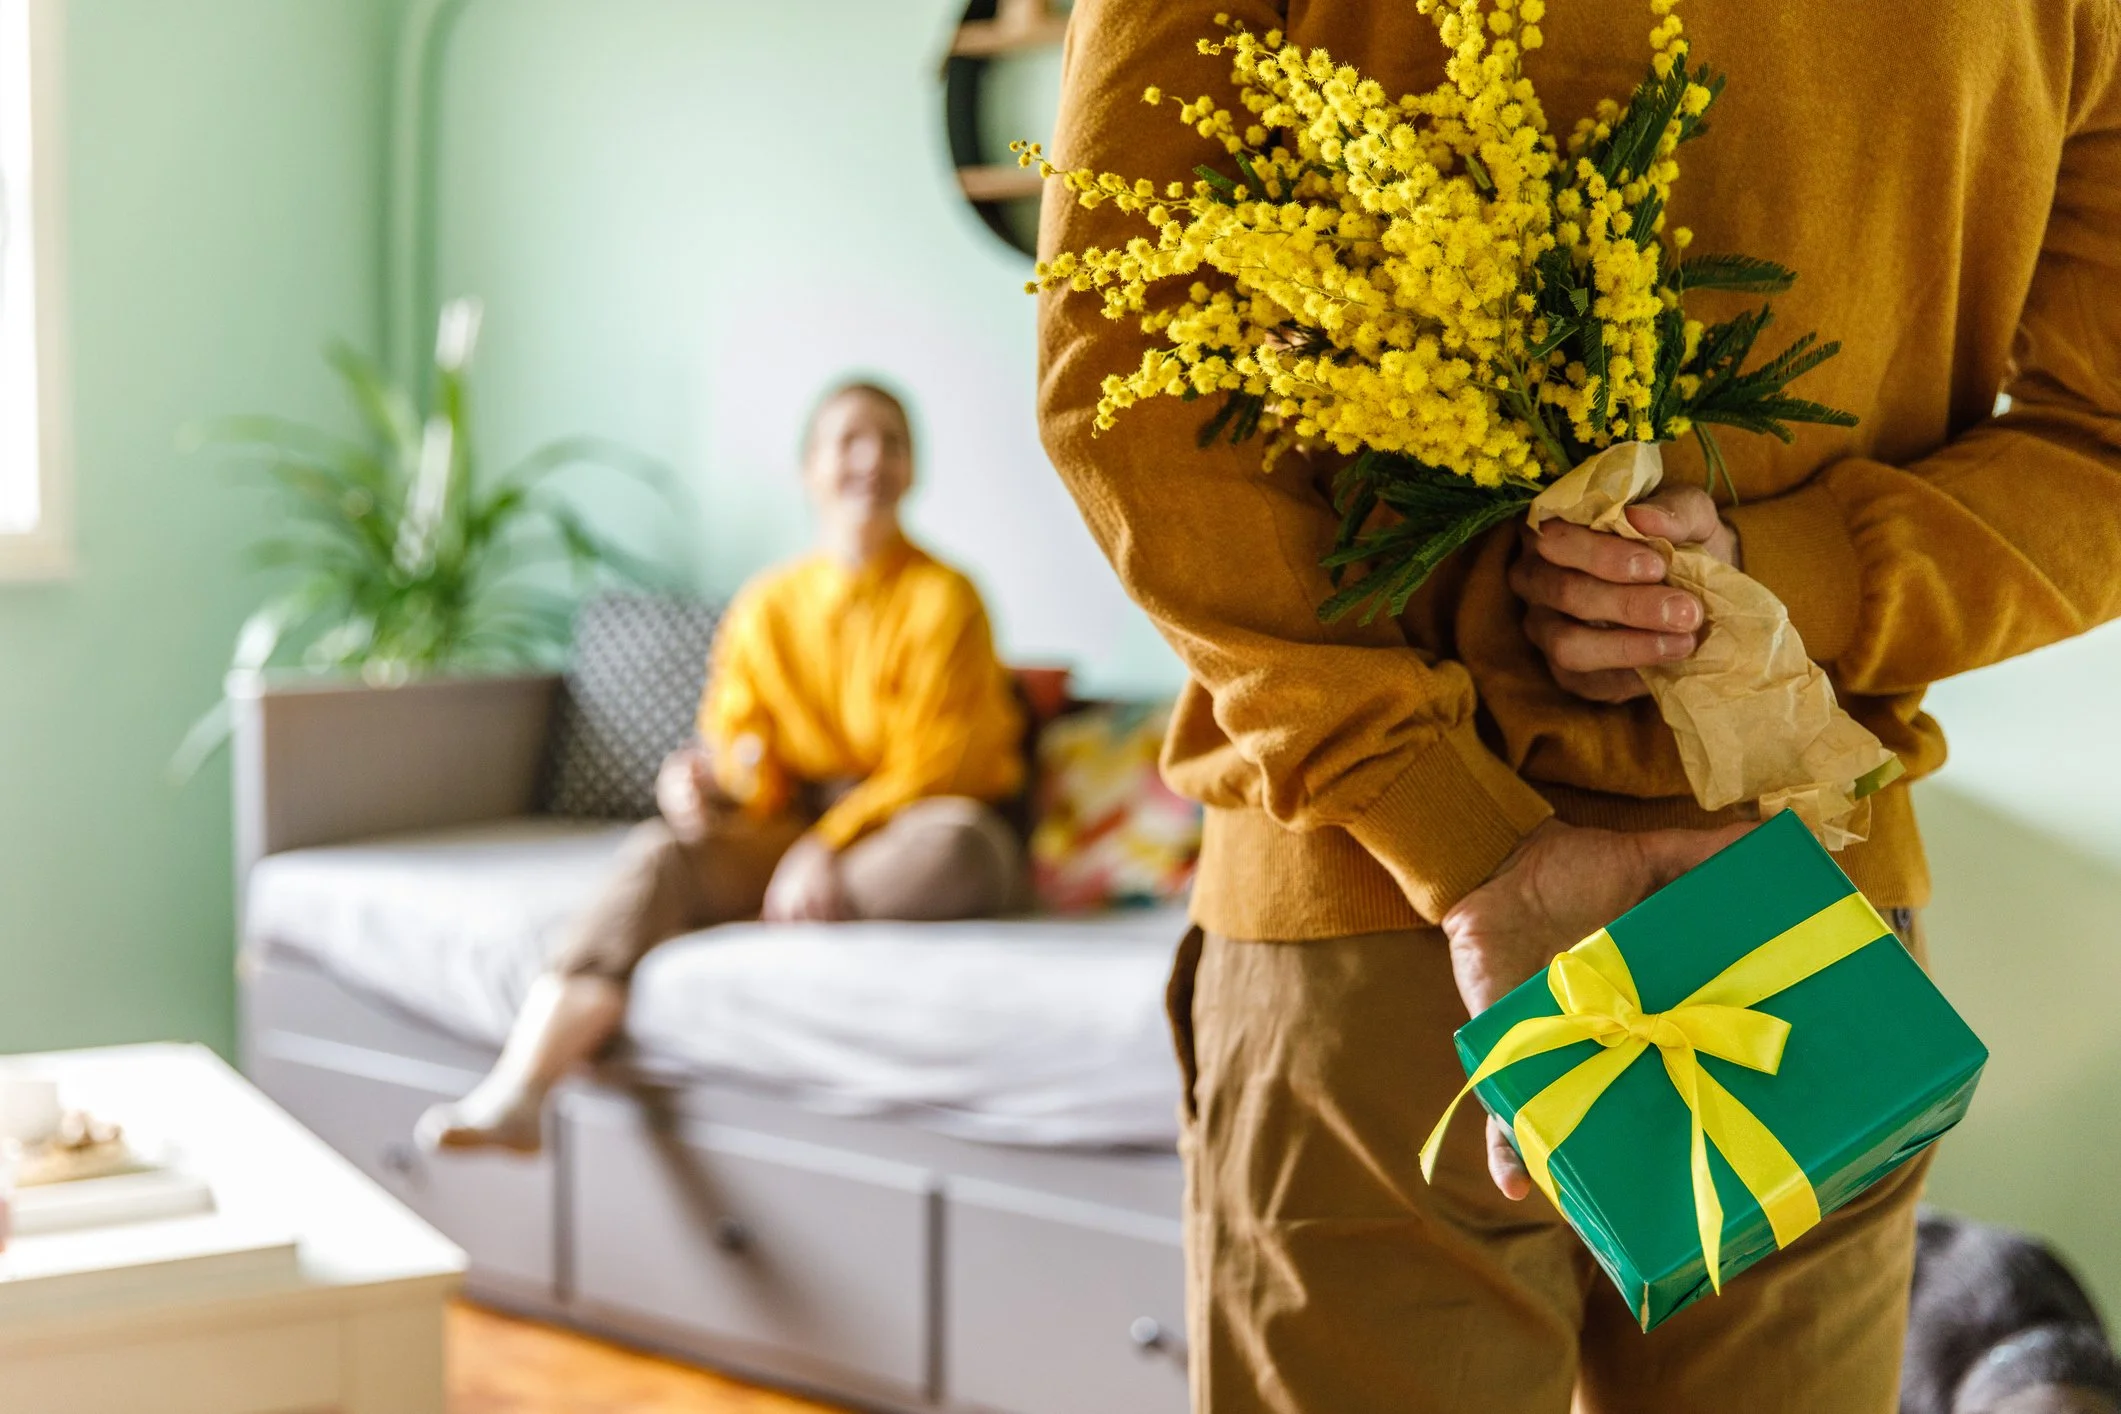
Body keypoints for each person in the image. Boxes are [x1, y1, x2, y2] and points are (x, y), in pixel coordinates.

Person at [1037, 4, 2121, 1413]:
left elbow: (1129, 387)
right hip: (1798, 905)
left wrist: (1449, 819)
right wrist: (1775, 581)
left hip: (1382, 913)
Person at [419, 380, 1028, 1153]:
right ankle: (521, 1088)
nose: (871, 459)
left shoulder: (947, 598)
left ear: (912, 472)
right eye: (849, 440)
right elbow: (748, 757)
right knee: (659, 854)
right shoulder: (768, 606)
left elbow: (937, 764)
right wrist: (707, 788)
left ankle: (766, 905)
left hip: (907, 827)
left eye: (893, 442)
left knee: (957, 844)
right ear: (811, 468)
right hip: (794, 830)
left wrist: (826, 846)